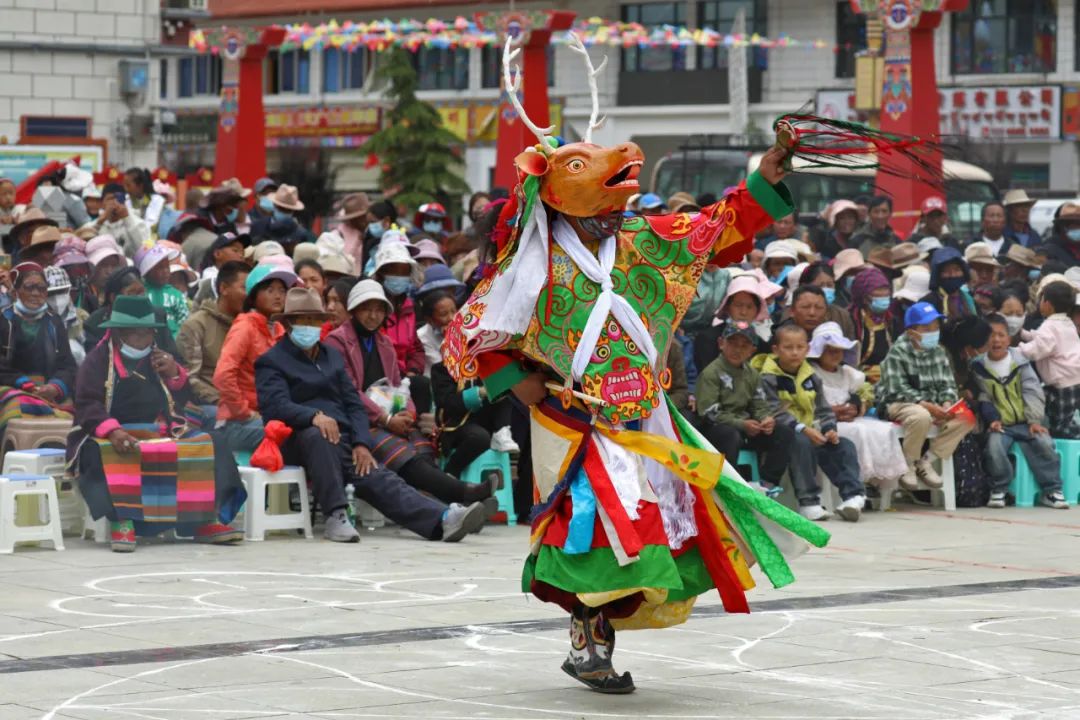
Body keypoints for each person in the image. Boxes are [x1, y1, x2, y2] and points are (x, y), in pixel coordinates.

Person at [443, 74, 825, 691]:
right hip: (573, 420)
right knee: (595, 529)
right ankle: (588, 644)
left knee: (648, 525)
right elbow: (476, 332)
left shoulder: (642, 240)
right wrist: (519, 383)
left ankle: (594, 641)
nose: (619, 179)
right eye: (582, 168)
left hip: (646, 413)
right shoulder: (529, 262)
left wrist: (764, 178)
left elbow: (714, 226)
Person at [255, 287, 489, 543]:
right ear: (289, 323)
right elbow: (274, 406)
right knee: (317, 436)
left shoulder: (330, 356)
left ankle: (443, 519)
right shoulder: (272, 360)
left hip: (340, 437)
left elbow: (353, 403)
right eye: (303, 320)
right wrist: (314, 416)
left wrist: (361, 442)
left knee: (377, 476)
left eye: (314, 320)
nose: (309, 326)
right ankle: (335, 514)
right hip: (297, 438)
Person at [67, 295, 245, 552]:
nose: (142, 339)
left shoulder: (160, 358)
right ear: (118, 333)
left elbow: (183, 400)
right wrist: (113, 431)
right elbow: (87, 405)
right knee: (100, 453)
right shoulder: (95, 362)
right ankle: (123, 521)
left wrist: (174, 374)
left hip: (160, 431)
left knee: (212, 442)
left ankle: (204, 519)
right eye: (134, 333)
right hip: (109, 433)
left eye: (147, 332)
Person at [323, 280, 491, 504]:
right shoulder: (337, 341)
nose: (373, 316)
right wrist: (385, 418)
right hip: (358, 421)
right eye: (366, 309)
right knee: (402, 453)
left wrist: (407, 413)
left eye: (378, 310)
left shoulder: (384, 342)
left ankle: (444, 503)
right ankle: (464, 494)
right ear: (354, 310)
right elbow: (349, 391)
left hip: (388, 415)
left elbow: (398, 384)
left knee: (422, 447)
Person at [759, 323, 865, 521]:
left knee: (844, 446)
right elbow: (772, 410)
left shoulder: (811, 376)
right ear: (776, 349)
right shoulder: (767, 377)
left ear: (807, 349)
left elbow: (823, 409)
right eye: (788, 347)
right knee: (800, 442)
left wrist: (829, 429)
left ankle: (853, 497)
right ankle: (809, 502)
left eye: (800, 347)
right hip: (784, 434)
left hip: (812, 432)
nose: (794, 353)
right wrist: (803, 429)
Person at [972, 314, 1069, 510]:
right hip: (1002, 425)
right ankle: (1000, 489)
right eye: (991, 335)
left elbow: (1032, 391)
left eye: (1001, 335)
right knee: (994, 447)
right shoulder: (978, 366)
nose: (996, 340)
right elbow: (984, 398)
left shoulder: (1021, 361)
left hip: (1027, 423)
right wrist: (993, 419)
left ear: (1009, 339)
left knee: (1044, 443)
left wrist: (1034, 420)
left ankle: (1052, 490)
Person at [876, 302, 974, 491]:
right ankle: (908, 465)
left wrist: (946, 403)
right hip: (899, 403)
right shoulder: (897, 352)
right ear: (911, 331)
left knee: (966, 418)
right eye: (927, 328)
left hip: (933, 405)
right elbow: (897, 389)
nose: (933, 332)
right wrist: (928, 406)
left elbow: (948, 384)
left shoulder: (939, 351)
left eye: (936, 327)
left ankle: (926, 461)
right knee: (921, 416)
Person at [695, 320, 792, 496]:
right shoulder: (711, 373)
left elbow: (759, 404)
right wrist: (742, 424)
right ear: (721, 343)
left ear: (752, 350)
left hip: (746, 426)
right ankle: (731, 488)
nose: (737, 350)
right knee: (730, 435)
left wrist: (765, 419)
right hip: (716, 429)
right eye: (732, 343)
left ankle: (766, 483)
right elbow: (708, 413)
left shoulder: (752, 374)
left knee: (783, 432)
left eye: (744, 345)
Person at [807, 322, 907, 492]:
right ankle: (856, 483)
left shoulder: (848, 373)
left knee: (883, 430)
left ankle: (878, 483)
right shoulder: (810, 373)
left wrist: (855, 408)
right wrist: (832, 412)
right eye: (829, 350)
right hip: (822, 423)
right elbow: (808, 403)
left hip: (847, 420)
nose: (834, 354)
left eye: (838, 350)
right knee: (858, 431)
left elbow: (861, 396)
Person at [213, 264, 297, 453]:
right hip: (237, 423)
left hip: (269, 417)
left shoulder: (279, 329)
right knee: (294, 437)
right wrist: (244, 412)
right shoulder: (245, 327)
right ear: (253, 295)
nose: (278, 296)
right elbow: (223, 375)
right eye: (270, 290)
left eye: (282, 291)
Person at [0, 263, 77, 439]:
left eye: (41, 288)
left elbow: (68, 365)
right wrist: (23, 383)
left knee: (69, 422)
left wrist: (56, 387)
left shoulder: (54, 322)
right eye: (29, 287)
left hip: (49, 390)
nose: (36, 293)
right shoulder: (3, 320)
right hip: (12, 388)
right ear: (16, 291)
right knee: (17, 411)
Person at [177, 261, 249, 413]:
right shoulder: (196, 325)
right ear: (223, 288)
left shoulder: (251, 324)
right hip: (216, 404)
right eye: (244, 288)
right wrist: (226, 402)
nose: (250, 294)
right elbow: (190, 377)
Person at [1017, 281, 1080, 438]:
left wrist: (1018, 350)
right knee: (1066, 415)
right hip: (1073, 379)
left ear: (1048, 304)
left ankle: (1072, 439)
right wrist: (1024, 334)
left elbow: (1040, 348)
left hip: (1063, 384)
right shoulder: (1066, 323)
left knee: (1060, 424)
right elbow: (1043, 339)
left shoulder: (1050, 325)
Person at [693, 269, 782, 372]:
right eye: (738, 305)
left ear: (757, 311)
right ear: (727, 307)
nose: (743, 312)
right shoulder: (707, 338)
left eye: (749, 307)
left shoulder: (763, 346)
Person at [82, 266, 179, 357]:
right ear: (113, 298)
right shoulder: (95, 324)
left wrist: (167, 360)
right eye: (132, 293)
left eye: (141, 292)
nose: (139, 298)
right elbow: (93, 362)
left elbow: (176, 358)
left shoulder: (157, 316)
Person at [372, 241, 426, 377]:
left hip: (405, 375)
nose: (399, 276)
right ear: (381, 272)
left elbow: (416, 349)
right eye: (394, 271)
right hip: (380, 375)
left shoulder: (409, 307)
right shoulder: (372, 306)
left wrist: (413, 370)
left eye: (404, 272)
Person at [847, 267, 894, 382]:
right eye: (878, 290)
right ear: (864, 297)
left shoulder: (891, 321)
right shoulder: (851, 321)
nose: (883, 294)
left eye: (886, 289)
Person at [135, 244, 188, 337]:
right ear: (147, 272)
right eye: (160, 267)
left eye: (167, 266)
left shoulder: (176, 295)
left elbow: (184, 322)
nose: (166, 271)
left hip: (174, 341)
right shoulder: (139, 294)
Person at [249, 184, 313, 253]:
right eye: (281, 209)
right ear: (274, 205)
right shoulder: (257, 226)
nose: (284, 213)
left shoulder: (301, 234)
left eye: (288, 210)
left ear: (293, 211)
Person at [44, 265, 86, 366]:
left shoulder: (82, 317)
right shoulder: (35, 319)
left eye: (61, 291)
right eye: (51, 293)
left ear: (69, 290)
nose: (56, 298)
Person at [94, 184, 150, 258]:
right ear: (102, 203)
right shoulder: (96, 223)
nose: (115, 203)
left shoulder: (139, 223)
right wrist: (99, 222)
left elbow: (146, 249)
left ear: (124, 201)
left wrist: (127, 219)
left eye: (118, 199)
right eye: (110, 199)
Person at [923, 246, 976, 320]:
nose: (953, 275)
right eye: (946, 271)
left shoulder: (971, 298)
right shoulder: (928, 303)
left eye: (957, 270)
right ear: (937, 275)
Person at [330, 193, 371, 271]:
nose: (364, 220)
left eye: (365, 216)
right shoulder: (336, 236)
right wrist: (357, 242)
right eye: (359, 218)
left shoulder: (373, 232)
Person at [1039, 203, 1080, 269]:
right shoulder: (1048, 249)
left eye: (1079, 225)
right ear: (1062, 227)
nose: (1077, 228)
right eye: (1072, 225)